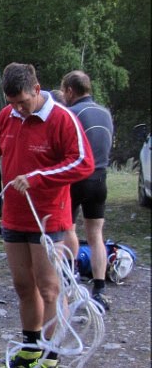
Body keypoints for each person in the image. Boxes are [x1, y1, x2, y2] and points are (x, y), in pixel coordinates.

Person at [0, 62, 93, 368]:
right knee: (23, 286)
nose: (17, 109)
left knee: (49, 288)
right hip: (14, 217)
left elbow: (82, 163)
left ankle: (51, 360)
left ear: (37, 89)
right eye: (11, 103)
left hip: (49, 220)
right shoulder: (9, 116)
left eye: (22, 103)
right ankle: (31, 349)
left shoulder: (62, 119)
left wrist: (37, 177)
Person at [61, 70, 114, 311]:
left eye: (64, 91)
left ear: (70, 91)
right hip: (100, 178)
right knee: (96, 235)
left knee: (68, 229)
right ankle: (99, 289)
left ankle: (69, 281)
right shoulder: (105, 112)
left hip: (77, 178)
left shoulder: (71, 113)